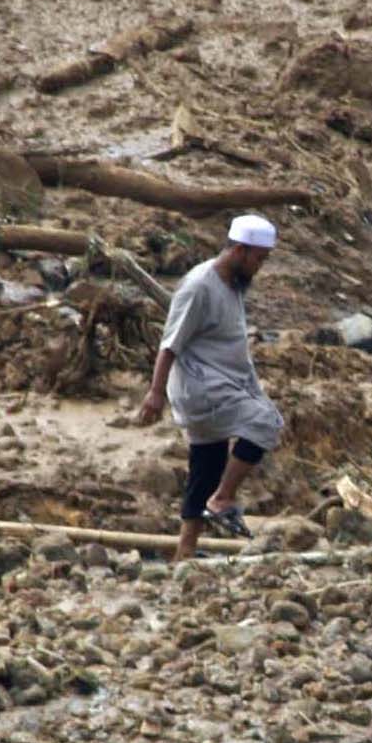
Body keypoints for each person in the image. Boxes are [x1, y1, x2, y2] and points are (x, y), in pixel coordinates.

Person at [125, 214, 284, 561]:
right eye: (258, 259)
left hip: (222, 384)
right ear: (240, 251)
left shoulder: (233, 282)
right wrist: (155, 393)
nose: (260, 267)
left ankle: (185, 552)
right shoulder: (199, 286)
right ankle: (223, 498)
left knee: (207, 465)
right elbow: (170, 344)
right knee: (265, 423)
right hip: (202, 388)